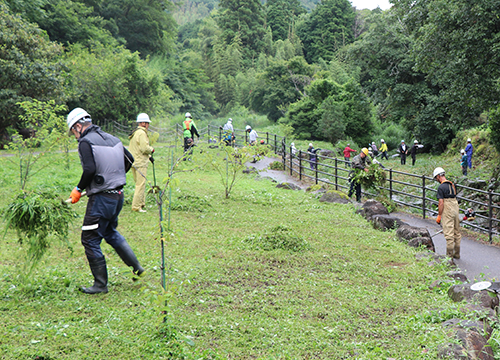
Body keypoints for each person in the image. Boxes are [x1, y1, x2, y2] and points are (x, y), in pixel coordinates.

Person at [66, 108, 145, 294]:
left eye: (73, 132)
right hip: (117, 196)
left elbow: (90, 169)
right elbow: (130, 159)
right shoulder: (113, 139)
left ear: (78, 126)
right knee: (109, 231)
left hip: (101, 199)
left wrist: (78, 189)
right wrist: (114, 177)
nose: (74, 136)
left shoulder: (85, 142)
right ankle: (137, 269)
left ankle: (100, 285)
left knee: (90, 238)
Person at [128, 113, 154, 213]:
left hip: (134, 161)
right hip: (140, 162)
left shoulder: (135, 133)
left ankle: (141, 204)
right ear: (143, 123)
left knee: (140, 184)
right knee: (140, 185)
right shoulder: (142, 133)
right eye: (147, 123)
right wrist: (151, 150)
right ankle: (136, 207)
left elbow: (137, 148)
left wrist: (150, 157)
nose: (148, 125)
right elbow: (144, 148)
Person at [433, 167, 461, 259]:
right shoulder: (452, 185)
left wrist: (439, 215)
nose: (436, 180)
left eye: (436, 178)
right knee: (456, 231)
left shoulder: (441, 187)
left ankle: (449, 257)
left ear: (438, 176)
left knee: (449, 233)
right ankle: (456, 253)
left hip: (447, 208)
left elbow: (441, 203)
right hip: (455, 207)